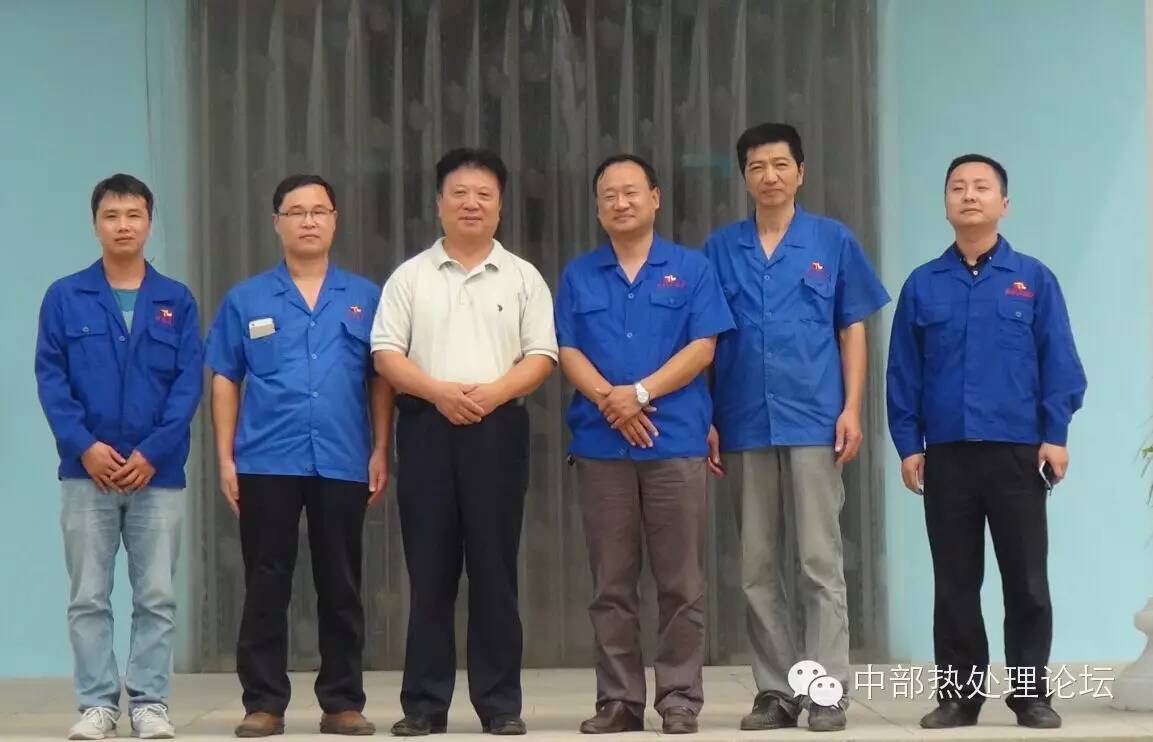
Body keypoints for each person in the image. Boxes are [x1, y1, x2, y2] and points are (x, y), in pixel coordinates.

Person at [886, 154, 1086, 730]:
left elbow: (1060, 364)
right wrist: (909, 444)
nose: (969, 196)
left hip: (1017, 453)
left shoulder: (1033, 280)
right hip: (947, 454)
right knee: (954, 581)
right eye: (958, 187)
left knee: (1026, 580)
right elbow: (903, 374)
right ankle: (959, 696)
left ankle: (1030, 695)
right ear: (946, 204)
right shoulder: (923, 285)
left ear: (1004, 203)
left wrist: (1055, 435)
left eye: (981, 187)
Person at [703, 123, 890, 733]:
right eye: (758, 166)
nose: (770, 176)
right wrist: (707, 417)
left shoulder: (831, 240)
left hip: (814, 418)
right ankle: (777, 692)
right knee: (756, 566)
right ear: (744, 177)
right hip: (743, 420)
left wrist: (852, 407)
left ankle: (827, 691)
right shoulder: (720, 248)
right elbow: (705, 339)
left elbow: (852, 328)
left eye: (781, 164)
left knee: (818, 560)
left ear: (801, 172)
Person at [371, 148, 557, 737]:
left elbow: (542, 356)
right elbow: (386, 355)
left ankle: (500, 704)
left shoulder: (523, 276)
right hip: (427, 428)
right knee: (429, 571)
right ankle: (424, 705)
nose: (471, 204)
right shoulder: (410, 277)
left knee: (495, 570)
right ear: (438, 204)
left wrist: (493, 394)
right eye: (459, 193)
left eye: (483, 195)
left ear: (499, 207)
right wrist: (439, 393)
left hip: (497, 430)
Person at [205, 174, 392, 737]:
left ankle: (343, 702)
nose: (308, 221)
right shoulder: (246, 299)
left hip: (342, 457)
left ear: (335, 220)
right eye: (296, 211)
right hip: (266, 459)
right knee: (267, 582)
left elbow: (381, 379)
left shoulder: (365, 298)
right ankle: (263, 702)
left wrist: (381, 448)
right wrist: (225, 458)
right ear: (277, 223)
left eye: (319, 211)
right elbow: (224, 377)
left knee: (342, 583)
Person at [555, 154, 734, 735]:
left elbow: (703, 347)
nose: (621, 202)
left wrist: (639, 393)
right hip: (601, 447)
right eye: (609, 194)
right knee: (611, 584)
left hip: (674, 442)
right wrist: (612, 401)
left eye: (631, 191)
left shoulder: (691, 268)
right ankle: (619, 700)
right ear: (597, 207)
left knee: (681, 583)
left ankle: (679, 699)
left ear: (655, 197)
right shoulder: (580, 274)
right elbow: (566, 349)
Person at [36, 174, 203, 740]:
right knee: (88, 596)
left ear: (149, 223)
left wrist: (153, 452)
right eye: (111, 215)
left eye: (134, 215)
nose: (123, 225)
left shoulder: (175, 299)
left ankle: (150, 702)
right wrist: (84, 447)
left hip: (159, 475)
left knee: (156, 595)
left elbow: (187, 385)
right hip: (87, 475)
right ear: (95, 224)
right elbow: (51, 379)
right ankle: (97, 704)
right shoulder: (65, 296)